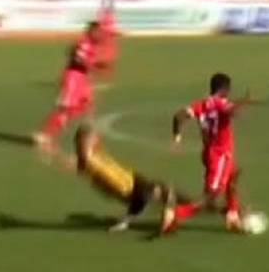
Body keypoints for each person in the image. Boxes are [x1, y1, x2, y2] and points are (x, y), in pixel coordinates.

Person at [164, 72, 252, 234]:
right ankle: (176, 214)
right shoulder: (221, 103)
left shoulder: (201, 104)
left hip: (209, 152)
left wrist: (177, 137)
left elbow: (178, 116)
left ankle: (232, 215)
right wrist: (243, 103)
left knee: (232, 176)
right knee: (212, 196)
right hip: (220, 155)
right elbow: (231, 111)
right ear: (225, 89)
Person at [73, 124, 187, 233]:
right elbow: (121, 190)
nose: (97, 140)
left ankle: (172, 210)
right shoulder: (91, 161)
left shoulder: (94, 156)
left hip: (133, 182)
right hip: (132, 188)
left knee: (165, 193)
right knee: (164, 194)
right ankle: (171, 212)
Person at [34, 22, 101, 153]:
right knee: (65, 108)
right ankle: (44, 134)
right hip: (74, 77)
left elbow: (70, 51)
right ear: (91, 31)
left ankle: (89, 136)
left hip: (82, 78)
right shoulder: (85, 43)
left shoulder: (89, 44)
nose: (99, 35)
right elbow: (77, 59)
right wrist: (90, 64)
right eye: (97, 32)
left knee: (86, 105)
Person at [93, 0, 118, 85]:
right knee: (103, 56)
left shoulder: (108, 17)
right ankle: (101, 73)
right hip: (105, 38)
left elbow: (110, 11)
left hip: (107, 39)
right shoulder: (105, 17)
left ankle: (104, 74)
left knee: (106, 57)